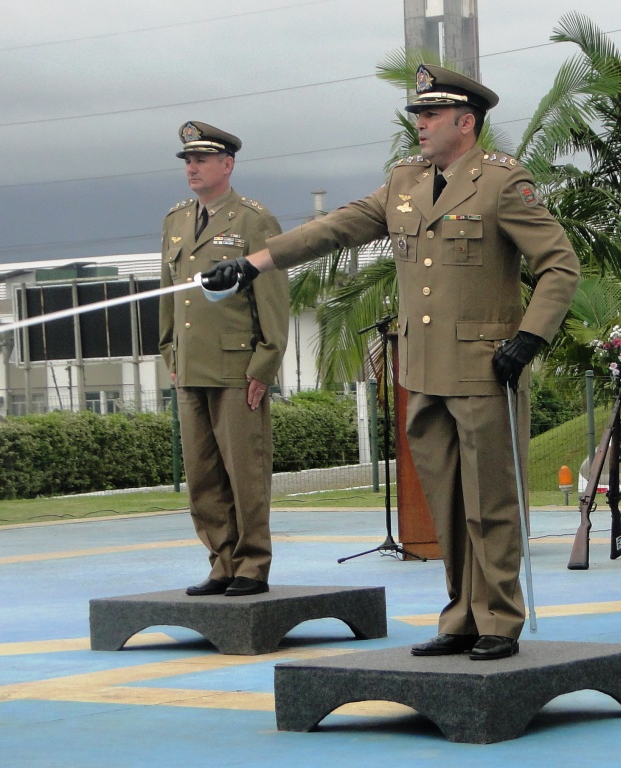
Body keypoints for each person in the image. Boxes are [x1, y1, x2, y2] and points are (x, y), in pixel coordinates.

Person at [200, 65, 580, 659]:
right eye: (419, 116)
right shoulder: (403, 182)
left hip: (484, 370)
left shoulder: (503, 183)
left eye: (430, 116)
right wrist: (255, 264)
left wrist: (530, 337)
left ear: (466, 121)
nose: (420, 125)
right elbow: (336, 227)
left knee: (491, 503)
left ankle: (499, 619)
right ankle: (460, 617)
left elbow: (560, 265)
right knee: (446, 505)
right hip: (423, 370)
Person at [158, 121, 290, 597]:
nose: (192, 168)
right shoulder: (175, 220)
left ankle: (253, 564)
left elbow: (273, 297)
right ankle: (221, 562)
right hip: (191, 366)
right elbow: (168, 293)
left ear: (227, 164)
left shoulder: (252, 219)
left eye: (201, 160)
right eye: (188, 161)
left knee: (245, 472)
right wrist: (169, 350)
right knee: (202, 474)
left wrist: (265, 363)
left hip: (237, 367)